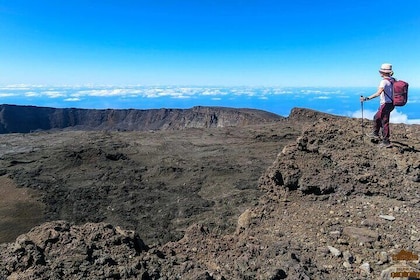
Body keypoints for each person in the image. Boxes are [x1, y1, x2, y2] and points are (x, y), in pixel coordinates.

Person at [360, 63, 395, 148]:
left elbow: (378, 93)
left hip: (386, 104)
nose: (380, 73)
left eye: (381, 71)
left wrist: (366, 98)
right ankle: (375, 134)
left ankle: (386, 142)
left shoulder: (383, 82)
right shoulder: (393, 80)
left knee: (384, 122)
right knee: (377, 117)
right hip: (391, 104)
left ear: (383, 72)